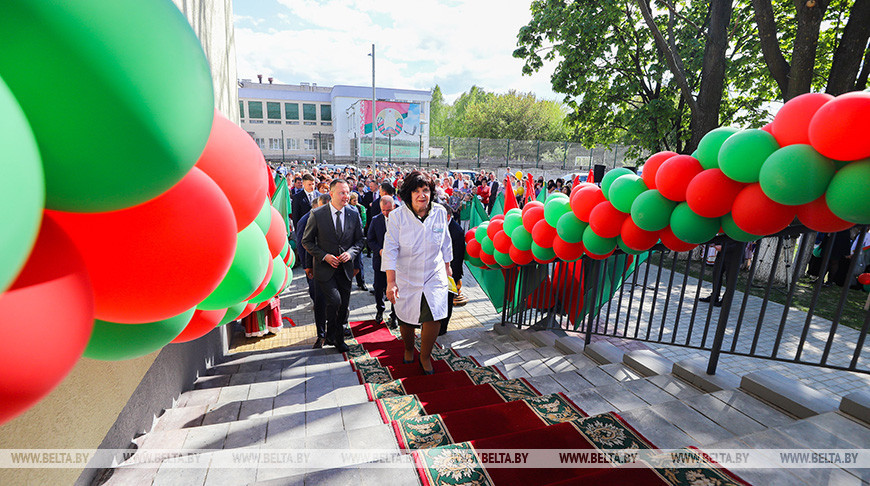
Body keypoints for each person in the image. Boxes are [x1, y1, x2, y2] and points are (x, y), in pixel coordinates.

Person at [383, 171, 453, 374]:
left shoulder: (440, 211)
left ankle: (425, 356)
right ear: (408, 194)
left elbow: (446, 244)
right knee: (406, 317)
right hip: (406, 276)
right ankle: (407, 348)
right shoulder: (397, 216)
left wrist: (448, 273)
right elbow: (390, 249)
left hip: (434, 274)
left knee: (433, 317)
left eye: (426, 190)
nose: (422, 195)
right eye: (416, 191)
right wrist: (391, 281)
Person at [301, 179, 365, 352]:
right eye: (342, 192)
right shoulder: (318, 214)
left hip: (345, 269)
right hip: (325, 269)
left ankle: (336, 338)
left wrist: (350, 253)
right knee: (334, 301)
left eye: (348, 192)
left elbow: (360, 240)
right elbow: (306, 241)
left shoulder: (354, 213)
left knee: (343, 305)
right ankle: (330, 333)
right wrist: (324, 256)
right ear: (331, 194)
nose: (346, 196)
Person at [296, 194, 330, 347]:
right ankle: (321, 334)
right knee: (319, 300)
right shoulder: (306, 220)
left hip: (331, 267)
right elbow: (304, 246)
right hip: (316, 268)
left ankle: (334, 329)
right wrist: (306, 266)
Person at [368, 196, 396, 326]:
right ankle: (380, 310)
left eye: (388, 210)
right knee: (379, 287)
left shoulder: (399, 219)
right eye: (383, 210)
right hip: (380, 260)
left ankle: (395, 315)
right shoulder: (376, 220)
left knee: (396, 287)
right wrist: (379, 250)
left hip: (396, 262)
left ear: (394, 207)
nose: (386, 213)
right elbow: (370, 240)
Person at [439, 203, 467, 335]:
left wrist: (450, 275)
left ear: (448, 216)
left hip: (450, 273)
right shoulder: (440, 226)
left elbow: (458, 257)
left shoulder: (456, 231)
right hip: (438, 271)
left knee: (447, 300)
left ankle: (443, 328)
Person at [700, 240, 746, 307]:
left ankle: (725, 300)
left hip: (735, 256)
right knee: (716, 274)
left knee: (730, 279)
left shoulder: (743, 231)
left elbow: (741, 244)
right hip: (722, 255)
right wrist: (715, 243)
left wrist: (723, 247)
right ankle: (714, 296)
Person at [349, 192, 368, 291]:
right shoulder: (347, 209)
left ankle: (361, 282)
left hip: (357, 238)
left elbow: (363, 222)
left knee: (359, 263)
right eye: (353, 200)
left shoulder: (360, 208)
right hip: (348, 239)